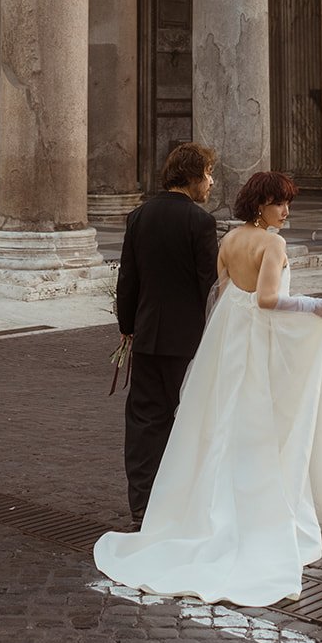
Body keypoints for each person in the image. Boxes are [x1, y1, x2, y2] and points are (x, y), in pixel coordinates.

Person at [94, 170, 322, 608]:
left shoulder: (230, 242)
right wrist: (314, 306)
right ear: (260, 205)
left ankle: (200, 508)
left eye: (287, 203)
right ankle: (251, 513)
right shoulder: (273, 244)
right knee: (259, 427)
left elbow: (225, 293)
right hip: (258, 347)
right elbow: (267, 301)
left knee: (218, 426)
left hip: (229, 346)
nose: (286, 212)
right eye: (279, 203)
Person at [115, 141, 219, 526]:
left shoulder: (138, 216)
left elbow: (128, 280)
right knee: (190, 418)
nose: (210, 183)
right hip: (187, 341)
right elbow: (208, 285)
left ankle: (142, 505)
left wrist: (127, 327)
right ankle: (183, 503)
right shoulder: (200, 222)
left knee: (144, 421)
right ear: (192, 176)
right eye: (208, 174)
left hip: (146, 336)